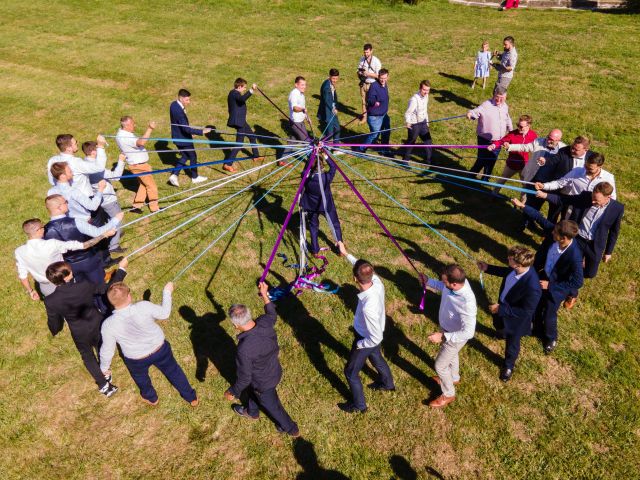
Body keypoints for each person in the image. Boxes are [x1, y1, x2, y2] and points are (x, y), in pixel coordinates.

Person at [100, 281, 198, 406]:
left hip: (136, 359)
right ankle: (191, 397)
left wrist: (104, 368)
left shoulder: (108, 324)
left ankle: (151, 398)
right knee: (174, 371)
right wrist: (167, 292)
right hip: (160, 349)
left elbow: (107, 350)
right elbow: (164, 313)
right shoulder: (143, 306)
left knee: (141, 379)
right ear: (129, 296)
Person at [530, 182, 623, 308]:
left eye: (597, 200)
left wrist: (608, 252)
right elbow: (563, 199)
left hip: (594, 245)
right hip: (577, 239)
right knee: (570, 267)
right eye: (593, 198)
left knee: (590, 273)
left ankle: (572, 277)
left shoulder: (617, 208)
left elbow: (614, 231)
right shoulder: (586, 197)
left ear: (608, 198)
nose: (593, 202)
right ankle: (572, 293)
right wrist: (545, 195)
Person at [224, 282, 300, 437]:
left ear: (235, 325)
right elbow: (272, 313)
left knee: (273, 406)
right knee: (254, 391)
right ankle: (252, 412)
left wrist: (233, 391)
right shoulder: (265, 322)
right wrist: (265, 294)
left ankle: (291, 428)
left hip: (264, 384)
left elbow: (245, 378)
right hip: (274, 370)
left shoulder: (244, 350)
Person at [44, 259, 128, 397]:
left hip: (78, 332)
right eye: (70, 270)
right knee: (102, 347)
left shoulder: (51, 300)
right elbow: (107, 289)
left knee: (87, 356)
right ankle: (105, 372)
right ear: (67, 277)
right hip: (97, 323)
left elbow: (54, 320)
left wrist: (55, 329)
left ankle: (103, 385)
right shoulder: (83, 285)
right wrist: (121, 270)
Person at [509, 210, 584, 354]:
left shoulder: (575, 256)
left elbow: (578, 282)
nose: (551, 233)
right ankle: (535, 328)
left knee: (549, 312)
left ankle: (550, 337)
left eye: (555, 233)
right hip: (544, 276)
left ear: (563, 238)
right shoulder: (554, 233)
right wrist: (523, 206)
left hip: (557, 286)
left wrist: (551, 286)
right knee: (535, 303)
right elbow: (539, 218)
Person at [337, 241, 395, 414]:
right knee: (376, 356)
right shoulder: (377, 282)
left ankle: (359, 405)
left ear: (355, 279)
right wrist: (346, 254)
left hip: (366, 337)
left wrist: (360, 345)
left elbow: (375, 337)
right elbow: (362, 267)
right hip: (373, 333)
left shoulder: (369, 306)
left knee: (350, 372)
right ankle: (387, 383)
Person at [477, 246, 541, 381]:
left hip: (516, 320)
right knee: (498, 324)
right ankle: (501, 333)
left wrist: (501, 309)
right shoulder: (515, 269)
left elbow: (527, 311)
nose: (507, 259)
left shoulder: (533, 287)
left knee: (512, 343)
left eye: (510, 259)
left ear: (519, 264)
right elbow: (505, 271)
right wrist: (488, 268)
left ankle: (508, 366)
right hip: (502, 306)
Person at [420, 265, 476, 408]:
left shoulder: (467, 303)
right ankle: (454, 378)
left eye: (445, 282)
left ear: (455, 284)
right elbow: (442, 286)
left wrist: (443, 336)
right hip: (446, 328)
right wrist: (428, 281)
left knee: (440, 366)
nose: (443, 284)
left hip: (454, 336)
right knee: (452, 355)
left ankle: (448, 393)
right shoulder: (453, 285)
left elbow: (468, 332)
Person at [15, 218, 111, 298]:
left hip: (45, 288)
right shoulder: (51, 244)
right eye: (42, 227)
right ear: (37, 230)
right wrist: (103, 235)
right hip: (64, 281)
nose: (44, 229)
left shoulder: (19, 251)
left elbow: (22, 275)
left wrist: (30, 290)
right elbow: (83, 245)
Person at [43, 194, 123, 284]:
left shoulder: (45, 230)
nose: (68, 204)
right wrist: (115, 220)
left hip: (68, 265)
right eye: (65, 202)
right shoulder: (75, 221)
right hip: (89, 259)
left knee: (82, 287)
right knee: (100, 284)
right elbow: (97, 232)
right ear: (59, 207)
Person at [82, 141, 126, 254]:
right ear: (92, 152)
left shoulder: (84, 164)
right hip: (108, 200)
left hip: (98, 200)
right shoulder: (96, 168)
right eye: (96, 149)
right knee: (117, 221)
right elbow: (116, 177)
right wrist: (121, 161)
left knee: (107, 221)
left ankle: (112, 237)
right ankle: (114, 245)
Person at [115, 116, 161, 213]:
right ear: (127, 125)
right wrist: (150, 129)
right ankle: (154, 208)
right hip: (139, 166)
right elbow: (141, 142)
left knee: (144, 185)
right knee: (151, 186)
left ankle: (136, 206)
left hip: (137, 165)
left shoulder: (121, 134)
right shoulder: (125, 136)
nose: (134, 125)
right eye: (132, 123)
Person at [300, 154, 343, 255]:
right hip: (326, 206)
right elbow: (333, 167)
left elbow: (306, 168)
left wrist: (311, 156)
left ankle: (315, 250)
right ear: (322, 165)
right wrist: (326, 156)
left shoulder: (304, 175)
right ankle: (341, 249)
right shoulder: (327, 177)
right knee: (335, 225)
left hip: (310, 206)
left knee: (313, 226)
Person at [168, 88, 211, 186]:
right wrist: (201, 131)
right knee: (193, 156)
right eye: (187, 100)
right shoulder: (179, 111)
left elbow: (181, 126)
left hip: (177, 136)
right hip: (183, 139)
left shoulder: (173, 105)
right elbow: (186, 129)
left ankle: (174, 175)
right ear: (181, 98)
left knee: (185, 156)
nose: (189, 102)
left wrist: (190, 132)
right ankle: (195, 177)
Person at [466, 87, 512, 178]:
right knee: (482, 159)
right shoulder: (486, 105)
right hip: (485, 139)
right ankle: (471, 175)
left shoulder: (505, 106)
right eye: (497, 97)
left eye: (501, 98)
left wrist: (511, 131)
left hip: (499, 140)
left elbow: (507, 118)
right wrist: (470, 114)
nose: (499, 100)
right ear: (493, 95)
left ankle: (486, 178)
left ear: (505, 97)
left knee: (492, 159)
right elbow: (476, 111)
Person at [488, 114, 538, 194]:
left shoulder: (533, 136)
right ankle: (493, 195)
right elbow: (501, 141)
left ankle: (523, 204)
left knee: (525, 185)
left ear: (528, 125)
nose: (519, 128)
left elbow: (537, 149)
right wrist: (493, 145)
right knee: (501, 180)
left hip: (524, 165)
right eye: (518, 125)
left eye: (521, 127)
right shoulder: (512, 134)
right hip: (511, 164)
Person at [535, 152, 616, 200]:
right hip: (573, 207)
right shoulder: (577, 171)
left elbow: (612, 197)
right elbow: (559, 183)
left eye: (590, 169)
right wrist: (544, 186)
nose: (586, 170)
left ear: (600, 167)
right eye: (585, 166)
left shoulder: (608, 178)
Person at [226, 78, 265, 174]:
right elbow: (242, 99)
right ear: (239, 86)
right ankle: (228, 164)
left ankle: (256, 156)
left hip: (241, 121)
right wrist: (251, 90)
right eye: (244, 88)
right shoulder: (234, 94)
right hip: (239, 122)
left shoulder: (234, 93)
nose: (244, 89)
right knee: (239, 143)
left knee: (252, 137)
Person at [362, 68, 391, 156]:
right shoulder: (374, 86)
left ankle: (384, 149)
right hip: (375, 116)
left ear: (387, 77)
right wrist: (374, 102)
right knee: (374, 135)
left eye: (385, 78)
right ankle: (361, 149)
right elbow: (369, 99)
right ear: (378, 77)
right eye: (381, 78)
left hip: (383, 114)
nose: (383, 80)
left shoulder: (385, 84)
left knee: (387, 131)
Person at [403, 80, 433, 164]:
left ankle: (429, 160)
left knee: (428, 141)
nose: (426, 92)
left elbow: (425, 110)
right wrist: (408, 122)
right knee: (411, 141)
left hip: (423, 123)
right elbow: (408, 113)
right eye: (424, 90)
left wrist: (427, 121)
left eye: (428, 90)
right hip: (415, 124)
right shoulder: (414, 100)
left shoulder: (426, 96)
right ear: (420, 88)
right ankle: (405, 160)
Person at [356, 43, 382, 123]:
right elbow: (358, 70)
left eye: (367, 52)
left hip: (372, 84)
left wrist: (368, 73)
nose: (366, 54)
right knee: (363, 101)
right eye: (364, 52)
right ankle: (364, 117)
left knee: (372, 102)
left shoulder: (376, 61)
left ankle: (373, 117)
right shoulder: (362, 59)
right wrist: (359, 73)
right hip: (363, 83)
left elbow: (379, 76)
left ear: (371, 51)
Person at [286, 76, 310, 159]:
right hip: (296, 122)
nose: (304, 87)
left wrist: (307, 117)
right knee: (306, 142)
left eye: (305, 85)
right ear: (296, 85)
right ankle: (313, 162)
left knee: (293, 141)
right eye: (302, 85)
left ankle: (282, 159)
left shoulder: (301, 94)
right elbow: (295, 108)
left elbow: (303, 107)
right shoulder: (294, 93)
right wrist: (302, 109)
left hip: (300, 121)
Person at [317, 69, 341, 144]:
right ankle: (320, 145)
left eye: (336, 78)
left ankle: (336, 148)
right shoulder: (326, 87)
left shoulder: (330, 83)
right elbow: (327, 101)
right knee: (330, 134)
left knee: (337, 129)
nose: (335, 80)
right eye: (333, 78)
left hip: (332, 110)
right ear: (329, 76)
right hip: (328, 111)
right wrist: (333, 109)